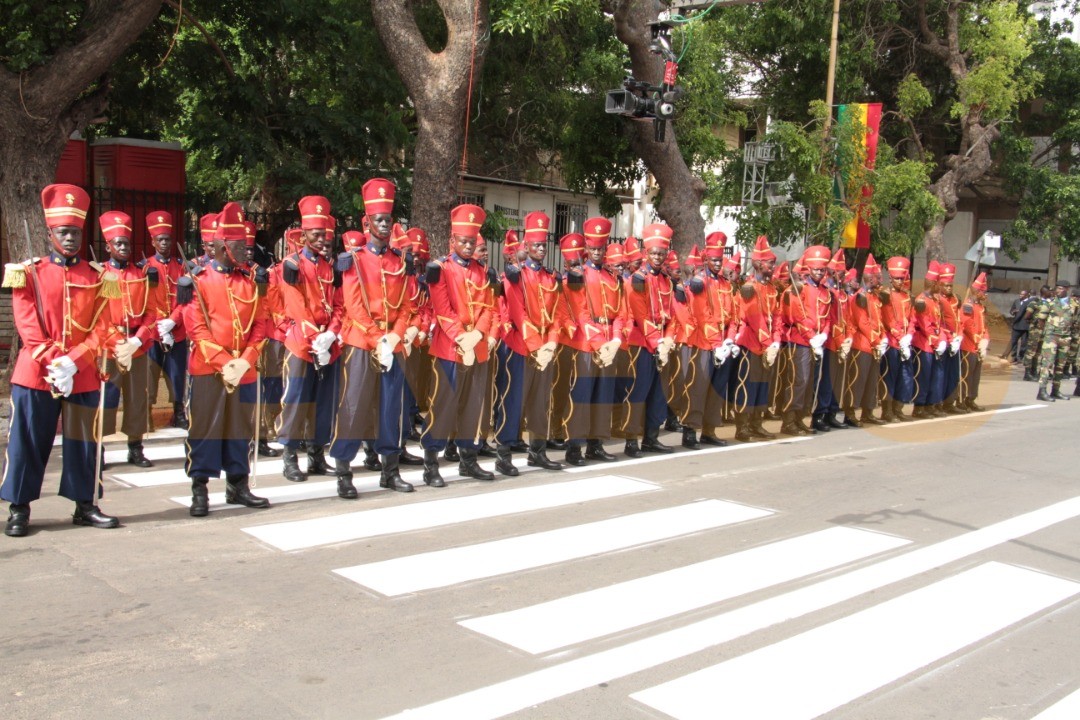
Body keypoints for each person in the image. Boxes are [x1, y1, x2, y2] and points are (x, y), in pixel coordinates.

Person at [1, 183, 119, 536]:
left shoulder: (98, 277)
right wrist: (56, 361)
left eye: (75, 232)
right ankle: (19, 508)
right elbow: (27, 325)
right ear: (50, 232)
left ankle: (85, 504)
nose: (70, 239)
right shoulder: (29, 272)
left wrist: (76, 361)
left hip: (81, 374)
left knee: (84, 443)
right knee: (28, 441)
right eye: (63, 232)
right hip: (37, 372)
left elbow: (104, 327)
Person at [179, 202, 270, 516]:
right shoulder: (199, 280)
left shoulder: (249, 281)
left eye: (245, 244)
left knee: (240, 429)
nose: (246, 250)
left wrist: (245, 359)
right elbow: (196, 328)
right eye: (236, 245)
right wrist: (224, 362)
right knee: (205, 428)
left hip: (243, 368)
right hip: (209, 369)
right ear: (219, 246)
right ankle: (200, 489)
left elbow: (262, 323)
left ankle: (238, 485)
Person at [329, 179, 417, 497]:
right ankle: (343, 472)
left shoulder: (398, 262)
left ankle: (389, 471)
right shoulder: (354, 260)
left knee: (392, 407)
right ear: (366, 223)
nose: (384, 224)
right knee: (354, 406)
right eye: (378, 219)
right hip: (361, 344)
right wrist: (379, 339)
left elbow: (407, 305)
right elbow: (353, 306)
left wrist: (394, 337)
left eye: (388, 219)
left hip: (391, 345)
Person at [419, 204, 497, 485]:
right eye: (463, 241)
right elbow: (442, 310)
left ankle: (469, 460)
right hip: (450, 349)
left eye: (472, 241)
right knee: (443, 405)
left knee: (473, 407)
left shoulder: (484, 272)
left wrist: (478, 334)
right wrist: (463, 337)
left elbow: (490, 307)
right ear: (452, 241)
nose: (467, 246)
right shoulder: (440, 269)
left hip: (476, 349)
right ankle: (431, 464)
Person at [276, 196, 343, 481]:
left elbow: (339, 305)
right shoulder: (291, 265)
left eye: (323, 233)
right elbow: (295, 307)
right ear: (303, 235)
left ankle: (317, 454)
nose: (320, 238)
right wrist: (316, 340)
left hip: (328, 344)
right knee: (296, 400)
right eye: (314, 234)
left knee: (323, 403)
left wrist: (331, 335)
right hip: (302, 344)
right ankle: (289, 456)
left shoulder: (329, 266)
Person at [493, 212, 565, 473]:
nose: (541, 249)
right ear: (526, 246)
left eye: (544, 245)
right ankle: (503, 455)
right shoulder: (515, 276)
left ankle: (538, 451)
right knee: (513, 402)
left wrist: (552, 343)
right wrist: (537, 345)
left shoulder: (550, 277)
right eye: (536, 245)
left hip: (544, 349)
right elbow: (517, 313)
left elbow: (557, 313)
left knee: (540, 402)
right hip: (520, 348)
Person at [562, 218, 625, 465]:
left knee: (603, 395)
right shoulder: (578, 276)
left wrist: (616, 340)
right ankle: (574, 447)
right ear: (586, 248)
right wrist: (601, 344)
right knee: (582, 395)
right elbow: (581, 313)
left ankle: (596, 444)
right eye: (593, 248)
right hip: (587, 345)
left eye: (601, 248)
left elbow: (620, 313)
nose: (597, 253)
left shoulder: (612, 277)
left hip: (609, 343)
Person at [98, 210, 158, 467]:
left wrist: (139, 338)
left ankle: (135, 446)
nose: (123, 248)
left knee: (137, 397)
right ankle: (98, 448)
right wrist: (116, 341)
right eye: (118, 243)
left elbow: (152, 312)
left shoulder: (141, 274)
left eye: (126, 243)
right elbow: (97, 316)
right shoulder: (100, 274)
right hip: (110, 348)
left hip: (137, 345)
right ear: (108, 245)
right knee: (106, 398)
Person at [624, 224, 679, 456]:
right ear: (646, 253)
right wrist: (657, 342)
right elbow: (641, 315)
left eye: (661, 253)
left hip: (661, 345)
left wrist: (667, 340)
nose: (658, 257)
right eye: (654, 253)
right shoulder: (638, 279)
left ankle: (651, 437)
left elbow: (673, 314)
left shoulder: (667, 280)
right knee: (639, 393)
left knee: (659, 392)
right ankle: (631, 441)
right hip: (641, 344)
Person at [680, 233, 736, 448]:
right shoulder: (698, 283)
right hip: (703, 343)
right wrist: (716, 344)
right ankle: (690, 430)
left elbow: (733, 315)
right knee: (698, 387)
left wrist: (729, 341)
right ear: (705, 260)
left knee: (717, 389)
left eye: (720, 260)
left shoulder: (725, 283)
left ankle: (709, 429)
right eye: (714, 260)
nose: (717, 264)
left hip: (722, 343)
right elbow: (701, 315)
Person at [733, 236, 782, 442]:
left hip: (767, 345)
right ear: (758, 264)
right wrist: (767, 342)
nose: (773, 266)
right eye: (769, 263)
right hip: (751, 344)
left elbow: (776, 316)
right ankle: (742, 426)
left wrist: (776, 340)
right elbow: (754, 318)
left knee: (763, 385)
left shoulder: (771, 288)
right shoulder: (749, 288)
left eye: (773, 263)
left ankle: (756, 423)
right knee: (747, 385)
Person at [143, 211, 190, 430]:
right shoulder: (144, 266)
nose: (164, 243)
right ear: (153, 241)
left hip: (176, 330)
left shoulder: (180, 266)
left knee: (176, 375)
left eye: (167, 239)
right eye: (160, 239)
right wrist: (159, 326)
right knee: (150, 376)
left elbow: (186, 299)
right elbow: (143, 302)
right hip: (152, 333)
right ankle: (146, 414)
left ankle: (178, 412)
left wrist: (172, 322)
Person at [844, 254, 887, 425]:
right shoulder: (860, 297)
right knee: (858, 380)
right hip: (862, 344)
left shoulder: (876, 298)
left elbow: (880, 321)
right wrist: (876, 340)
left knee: (871, 380)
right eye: (877, 277)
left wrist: (882, 339)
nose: (879, 280)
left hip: (875, 345)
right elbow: (862, 322)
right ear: (869, 278)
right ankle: (850, 413)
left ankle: (868, 411)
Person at [878, 257, 916, 422]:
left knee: (905, 377)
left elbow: (913, 318)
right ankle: (887, 411)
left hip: (905, 343)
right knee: (890, 377)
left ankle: (898, 408)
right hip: (892, 344)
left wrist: (909, 336)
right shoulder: (886, 295)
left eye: (902, 278)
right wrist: (900, 338)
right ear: (890, 278)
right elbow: (888, 320)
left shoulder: (907, 296)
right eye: (897, 278)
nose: (900, 281)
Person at [1036, 281, 1076, 401]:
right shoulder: (1050, 302)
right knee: (1047, 364)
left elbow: (1075, 320)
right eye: (1057, 288)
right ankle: (1042, 391)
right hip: (1051, 336)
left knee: (1060, 366)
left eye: (1060, 288)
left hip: (1065, 337)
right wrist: (1046, 333)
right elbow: (1041, 320)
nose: (1057, 291)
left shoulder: (1074, 304)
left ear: (1067, 289)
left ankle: (1056, 390)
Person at [957, 272, 991, 411]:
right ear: (977, 292)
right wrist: (978, 341)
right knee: (966, 375)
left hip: (978, 346)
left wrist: (985, 340)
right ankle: (962, 400)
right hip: (969, 346)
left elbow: (984, 326)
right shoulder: (968, 305)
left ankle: (971, 398)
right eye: (983, 291)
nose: (985, 294)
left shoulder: (980, 307)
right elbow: (967, 325)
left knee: (975, 376)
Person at [1022, 286, 1052, 381]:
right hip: (1035, 331)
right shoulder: (1035, 302)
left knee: (1038, 353)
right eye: (1049, 291)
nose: (1051, 293)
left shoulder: (1050, 303)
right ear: (1044, 292)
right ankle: (1027, 373)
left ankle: (1034, 372)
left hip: (1044, 331)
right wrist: (1034, 321)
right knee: (1031, 351)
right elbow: (1027, 316)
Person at [1001, 289, 1031, 362]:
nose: (1020, 296)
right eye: (1020, 294)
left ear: (1027, 295)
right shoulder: (1017, 301)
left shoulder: (1030, 302)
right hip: (1017, 324)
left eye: (1022, 294)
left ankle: (1021, 357)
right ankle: (1013, 356)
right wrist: (1014, 311)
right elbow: (1011, 311)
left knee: (1024, 343)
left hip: (1025, 326)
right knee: (1013, 341)